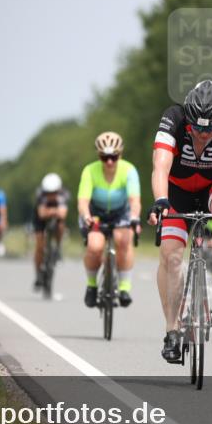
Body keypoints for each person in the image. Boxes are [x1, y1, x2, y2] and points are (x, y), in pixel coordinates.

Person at [147, 79, 212, 364]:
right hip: (177, 191)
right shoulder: (174, 118)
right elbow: (161, 165)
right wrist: (160, 200)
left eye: (210, 129)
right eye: (197, 128)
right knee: (170, 258)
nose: (203, 134)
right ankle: (171, 330)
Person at [78, 131, 142, 308]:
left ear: (119, 154)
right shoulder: (90, 170)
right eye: (104, 157)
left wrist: (135, 218)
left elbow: (134, 200)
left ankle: (124, 288)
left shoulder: (128, 170)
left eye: (113, 156)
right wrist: (86, 217)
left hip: (121, 212)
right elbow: (83, 201)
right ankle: (91, 285)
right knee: (95, 246)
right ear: (99, 155)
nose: (109, 162)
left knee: (123, 240)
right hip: (95, 212)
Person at [32, 173, 70, 290]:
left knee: (61, 226)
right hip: (40, 221)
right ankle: (38, 273)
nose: (51, 195)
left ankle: (57, 247)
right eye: (48, 193)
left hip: (57, 219)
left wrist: (51, 212)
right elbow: (41, 214)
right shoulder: (40, 195)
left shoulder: (64, 195)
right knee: (39, 246)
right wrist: (54, 211)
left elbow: (63, 214)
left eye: (53, 193)